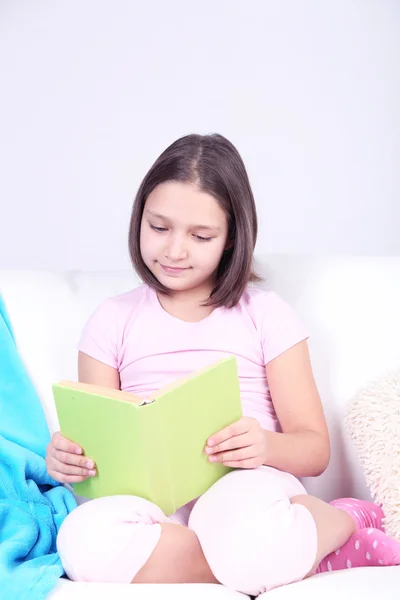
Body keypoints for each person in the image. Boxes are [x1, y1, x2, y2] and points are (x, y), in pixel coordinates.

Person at [46, 134, 400, 596]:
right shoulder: (111, 320)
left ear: (232, 238)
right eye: (158, 228)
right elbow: (103, 445)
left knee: (237, 525)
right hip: (158, 504)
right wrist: (73, 460)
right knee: (79, 540)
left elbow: (314, 450)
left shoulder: (264, 314)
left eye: (200, 236)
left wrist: (264, 447)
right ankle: (289, 560)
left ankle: (346, 520)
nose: (174, 251)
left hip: (245, 488)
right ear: (139, 221)